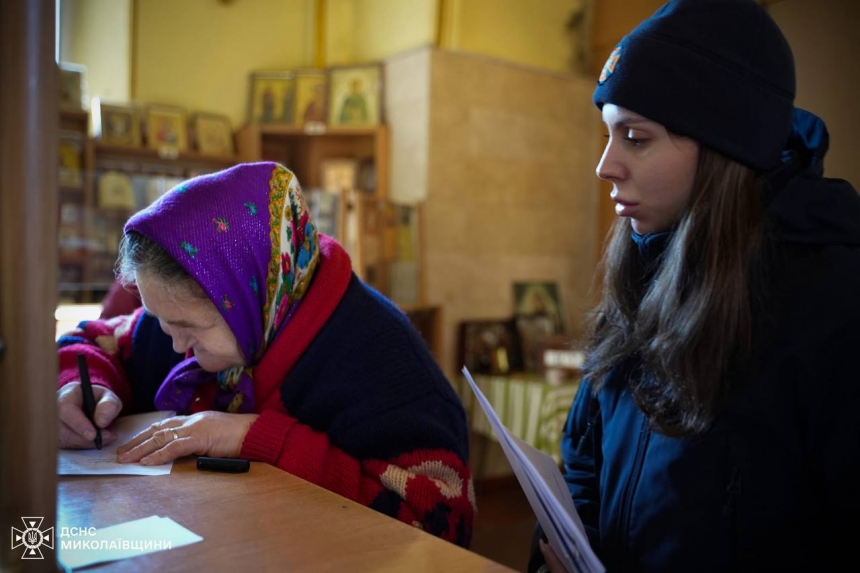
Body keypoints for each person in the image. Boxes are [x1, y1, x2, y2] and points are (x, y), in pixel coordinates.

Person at [528, 1, 860, 571]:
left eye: (634, 136)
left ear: (724, 149)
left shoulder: (834, 302)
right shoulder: (642, 262)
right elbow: (584, 453)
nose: (606, 165)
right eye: (608, 133)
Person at [57, 161, 475, 547]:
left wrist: (252, 437)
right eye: (161, 320)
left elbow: (438, 526)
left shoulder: (384, 363)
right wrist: (79, 384)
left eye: (188, 328)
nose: (175, 347)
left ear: (249, 299)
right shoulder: (185, 312)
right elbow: (96, 340)